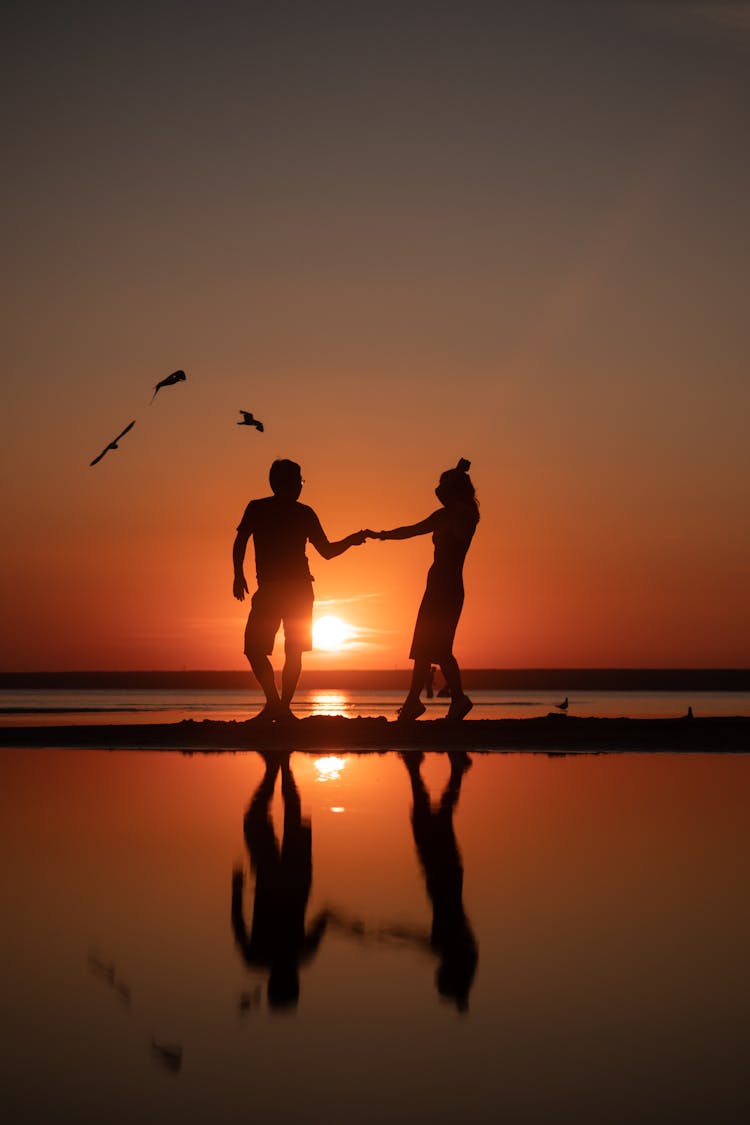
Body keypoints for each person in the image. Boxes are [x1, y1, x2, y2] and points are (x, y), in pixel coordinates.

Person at [233, 459, 366, 721]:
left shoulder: (304, 512)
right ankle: (275, 704)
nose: (301, 487)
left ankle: (281, 708)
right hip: (274, 589)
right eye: (298, 482)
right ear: (282, 483)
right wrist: (238, 573)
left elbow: (325, 551)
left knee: (292, 650)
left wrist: (350, 541)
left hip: (297, 590)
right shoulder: (258, 508)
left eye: (301, 482)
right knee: (255, 648)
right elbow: (240, 540)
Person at [371, 458, 479, 721]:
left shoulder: (464, 515)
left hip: (449, 586)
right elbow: (413, 529)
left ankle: (459, 699)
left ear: (455, 491)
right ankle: (413, 703)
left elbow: (453, 518)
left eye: (446, 489)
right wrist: (383, 534)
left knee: (442, 649)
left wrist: (456, 473)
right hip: (436, 585)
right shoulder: (445, 514)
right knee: (421, 648)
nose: (440, 494)